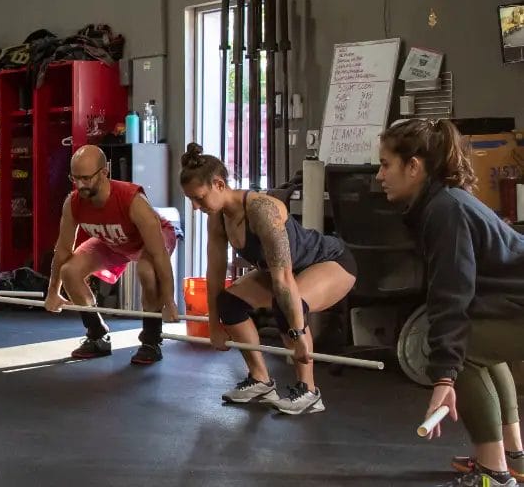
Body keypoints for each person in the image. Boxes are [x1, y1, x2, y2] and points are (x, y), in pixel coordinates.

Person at [378, 119, 524, 487]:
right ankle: (513, 454)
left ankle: (494, 473)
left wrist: (444, 374)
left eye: (385, 165)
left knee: (465, 347)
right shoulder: (442, 202)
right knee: (476, 342)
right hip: (512, 302)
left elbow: (451, 292)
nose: (378, 176)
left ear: (413, 167)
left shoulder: (445, 210)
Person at [179, 143, 355, 415]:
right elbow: (214, 274)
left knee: (287, 306)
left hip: (329, 262)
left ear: (219, 184)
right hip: (285, 272)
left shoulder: (262, 210)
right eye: (191, 199)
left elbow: (283, 279)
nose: (195, 206)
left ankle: (308, 391)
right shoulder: (218, 218)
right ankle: (261, 379)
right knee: (230, 303)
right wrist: (214, 324)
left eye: (199, 198)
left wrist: (297, 336)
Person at [45, 145, 178, 365]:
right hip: (112, 240)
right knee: (70, 271)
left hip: (152, 239)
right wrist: (53, 291)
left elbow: (159, 255)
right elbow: (62, 250)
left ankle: (151, 340)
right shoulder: (74, 202)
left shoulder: (131, 199)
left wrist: (169, 301)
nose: (81, 185)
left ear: (105, 172)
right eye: (76, 178)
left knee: (147, 270)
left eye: (86, 178)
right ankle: (97, 335)